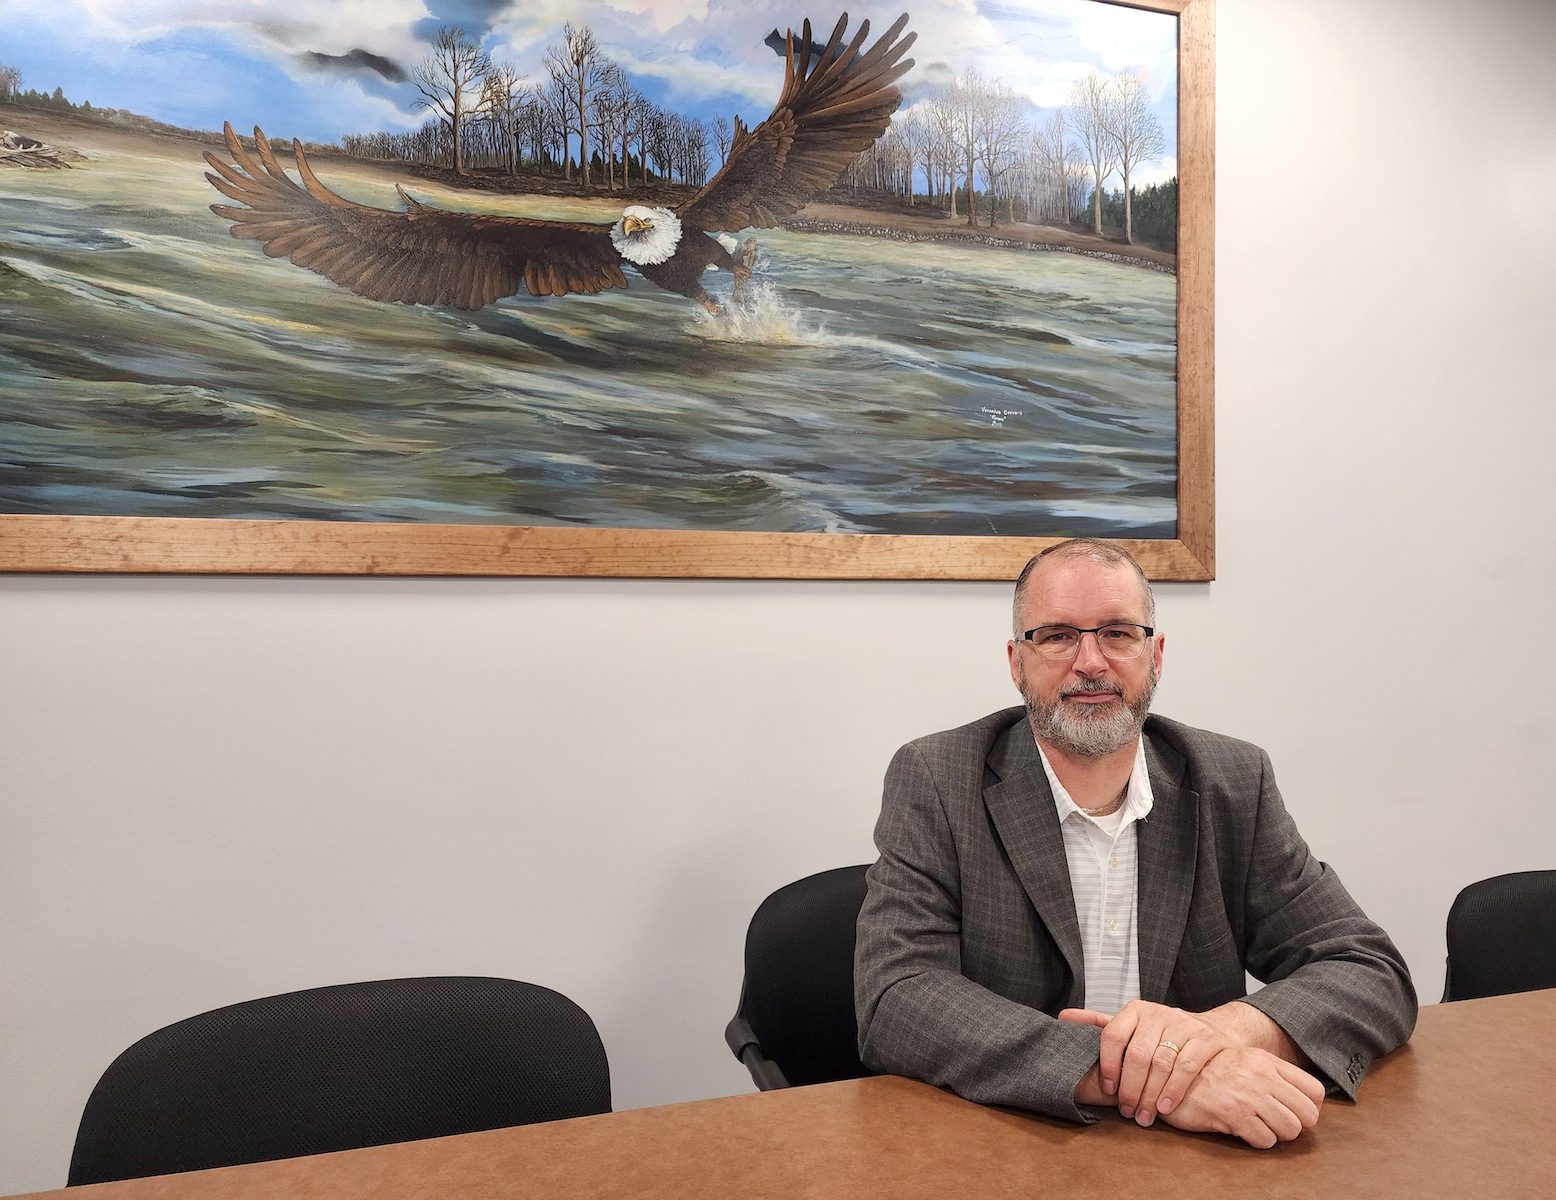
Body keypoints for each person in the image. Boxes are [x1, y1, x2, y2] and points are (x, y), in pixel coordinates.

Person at [854, 538, 1416, 1148]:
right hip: (1014, 1142)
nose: (1091, 661)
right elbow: (897, 997)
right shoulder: (939, 778)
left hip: (1196, 1157)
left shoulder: (1232, 780)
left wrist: (1224, 1034)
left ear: (1157, 654)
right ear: (1016, 661)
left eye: (1119, 633)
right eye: (1059, 635)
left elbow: (1368, 969)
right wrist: (1135, 1071)